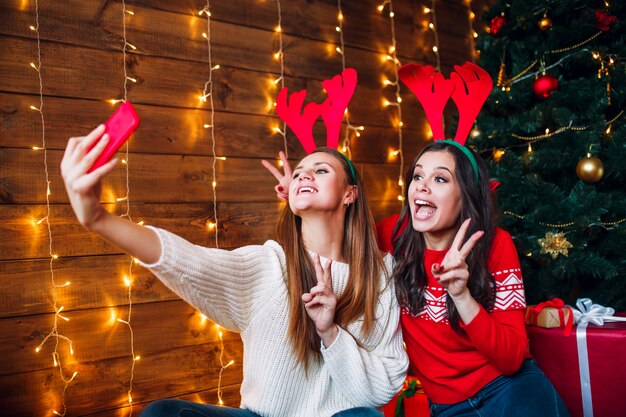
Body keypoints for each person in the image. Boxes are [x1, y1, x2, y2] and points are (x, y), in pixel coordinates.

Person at [60, 124, 408, 417]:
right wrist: (98, 218)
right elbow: (189, 260)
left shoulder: (380, 278)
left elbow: (380, 388)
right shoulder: (269, 266)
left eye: (320, 170)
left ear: (350, 194)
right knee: (163, 414)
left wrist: (330, 332)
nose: (304, 175)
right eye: (299, 172)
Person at [377, 140, 570, 417]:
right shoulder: (393, 235)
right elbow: (338, 234)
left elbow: (512, 358)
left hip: (509, 390)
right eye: (418, 176)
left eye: (440, 178)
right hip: (447, 407)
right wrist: (297, 198)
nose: (421, 185)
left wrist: (461, 295)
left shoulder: (495, 245)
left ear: (466, 196)